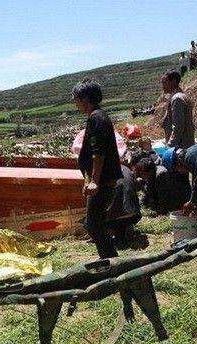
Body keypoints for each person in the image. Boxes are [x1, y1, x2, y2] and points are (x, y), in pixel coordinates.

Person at [73, 78, 123, 259]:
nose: (76, 103)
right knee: (96, 224)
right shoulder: (97, 116)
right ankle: (110, 261)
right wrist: (88, 180)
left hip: (101, 180)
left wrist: (94, 181)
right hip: (98, 180)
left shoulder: (97, 118)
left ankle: (111, 263)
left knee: (94, 225)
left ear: (85, 98)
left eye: (76, 99)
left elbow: (98, 154)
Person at [161, 70, 195, 149]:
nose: (162, 86)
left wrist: (169, 146)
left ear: (173, 82)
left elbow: (178, 127)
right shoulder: (180, 96)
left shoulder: (177, 99)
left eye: (164, 82)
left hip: (181, 147)